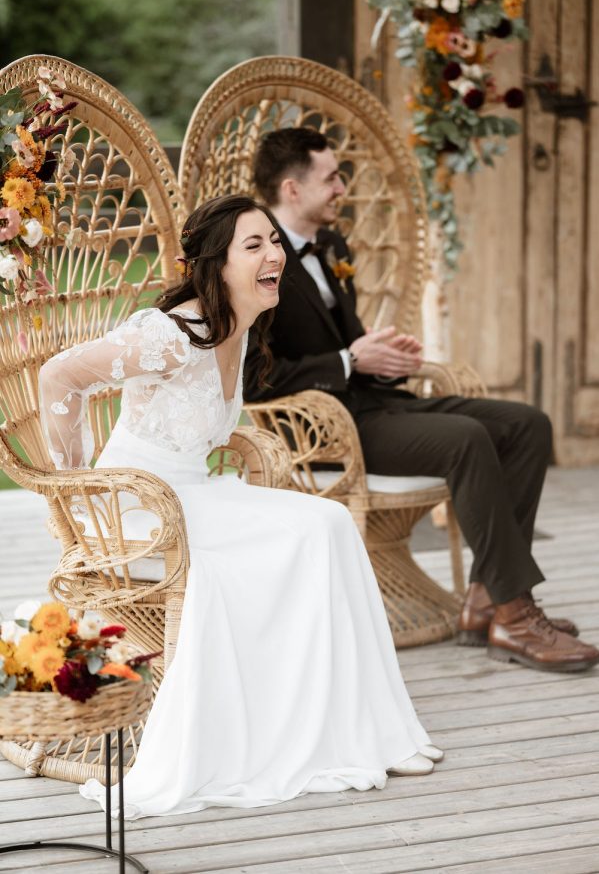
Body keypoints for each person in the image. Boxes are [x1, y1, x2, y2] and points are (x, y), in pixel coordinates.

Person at [38, 195, 443, 820]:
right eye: (253, 246)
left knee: (331, 523)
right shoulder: (168, 336)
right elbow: (59, 377)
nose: (273, 254)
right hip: (144, 507)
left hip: (195, 493)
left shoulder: (241, 325)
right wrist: (75, 492)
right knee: (304, 538)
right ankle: (319, 732)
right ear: (216, 265)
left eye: (273, 242)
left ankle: (373, 730)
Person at [245, 127, 599, 675]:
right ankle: (515, 616)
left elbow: (349, 343)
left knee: (528, 423)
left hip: (376, 402)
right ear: (292, 190)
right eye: (332, 177)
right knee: (467, 439)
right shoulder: (254, 263)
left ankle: (484, 597)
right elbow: (253, 380)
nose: (343, 187)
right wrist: (348, 362)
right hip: (321, 427)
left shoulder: (332, 246)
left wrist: (383, 356)